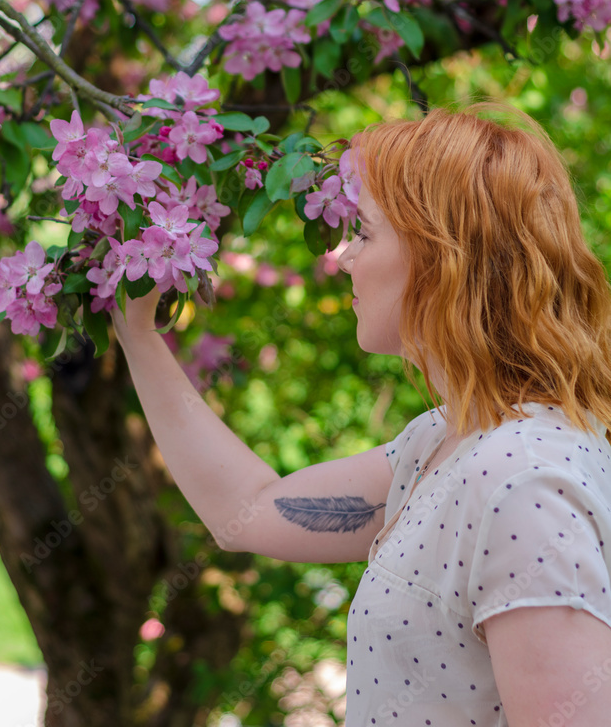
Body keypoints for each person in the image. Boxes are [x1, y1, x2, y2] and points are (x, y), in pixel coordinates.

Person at [112, 102, 611, 726]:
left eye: (366, 234)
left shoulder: (522, 480)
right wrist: (139, 334)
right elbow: (250, 511)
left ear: (441, 256)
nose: (342, 256)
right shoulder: (444, 443)